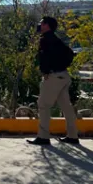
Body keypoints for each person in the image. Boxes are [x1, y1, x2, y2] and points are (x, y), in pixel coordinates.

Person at [27, 16, 79, 146]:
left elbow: (43, 58)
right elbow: (70, 54)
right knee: (66, 107)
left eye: (41, 23)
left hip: (53, 76)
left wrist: (45, 72)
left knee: (44, 105)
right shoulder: (57, 40)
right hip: (64, 76)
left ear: (46, 25)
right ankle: (73, 136)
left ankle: (43, 137)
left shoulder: (44, 40)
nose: (39, 25)